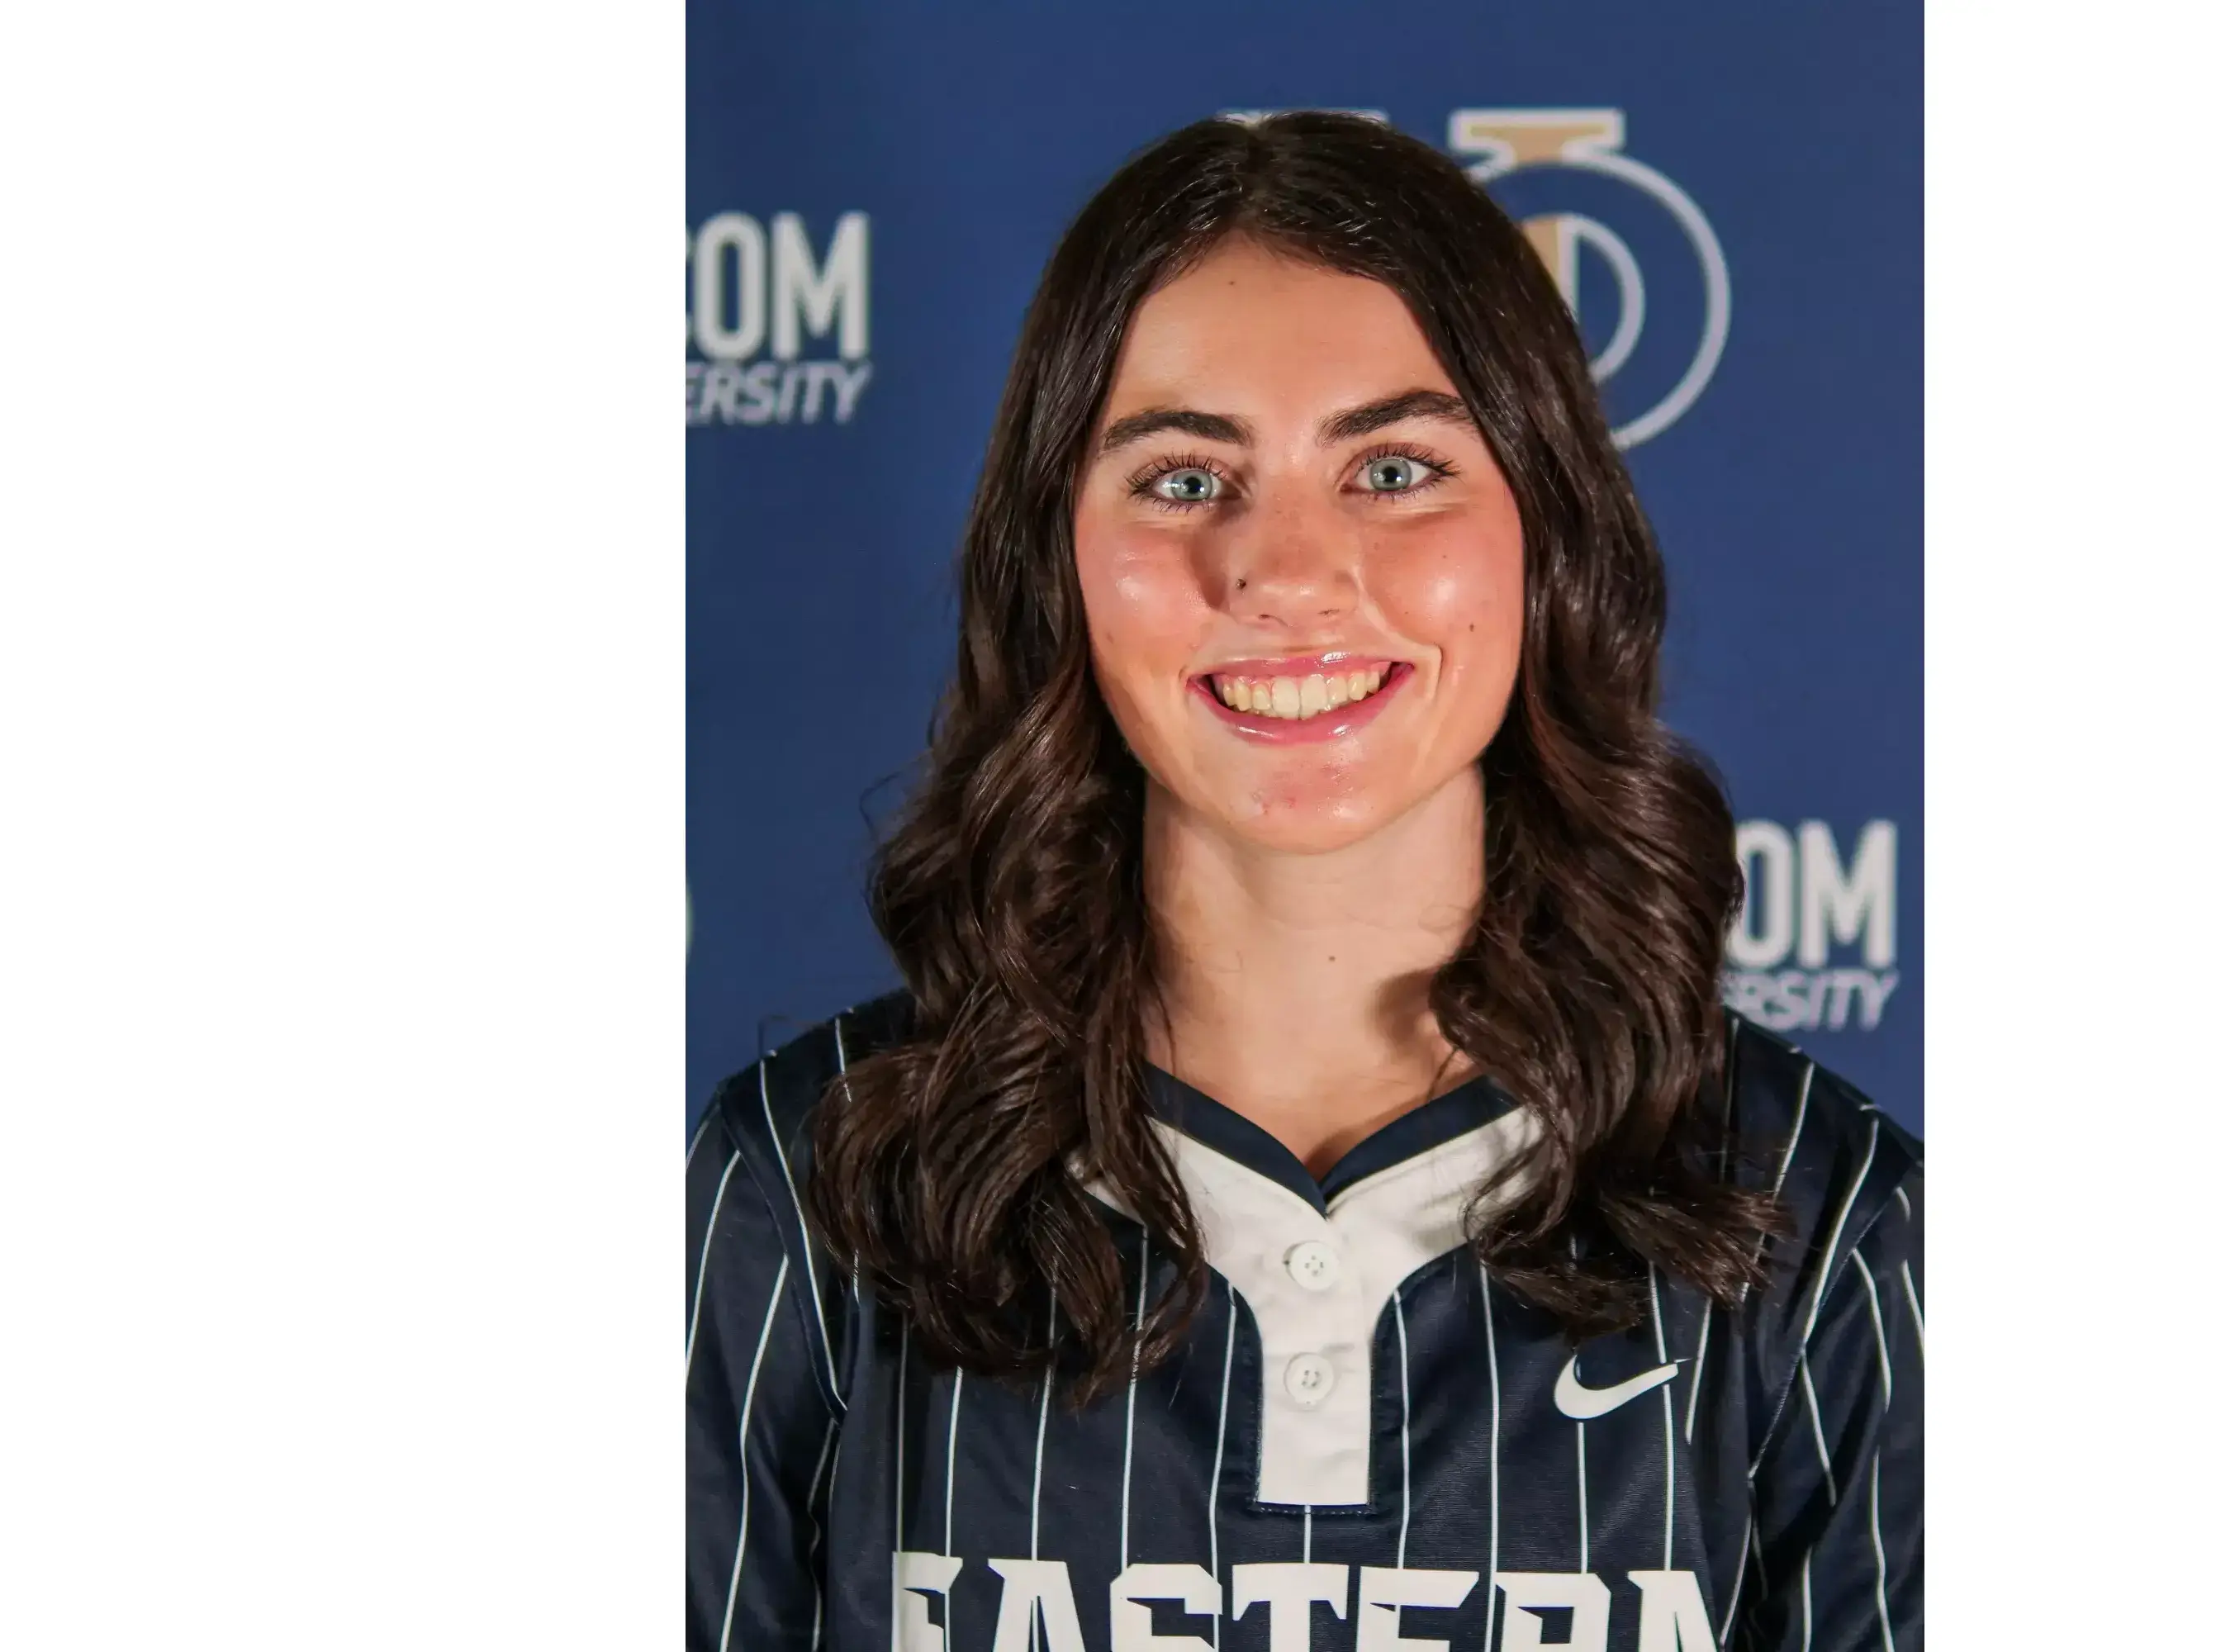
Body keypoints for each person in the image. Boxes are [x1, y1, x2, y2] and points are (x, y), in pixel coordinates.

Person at [686, 112, 1922, 1652]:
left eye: (1393, 469)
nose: (1282, 572)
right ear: (1052, 557)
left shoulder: (1819, 1222)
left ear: (1545, 531)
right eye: (1181, 478)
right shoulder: (805, 1190)